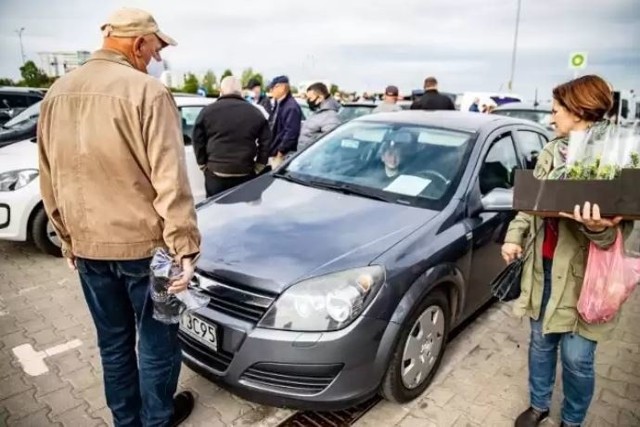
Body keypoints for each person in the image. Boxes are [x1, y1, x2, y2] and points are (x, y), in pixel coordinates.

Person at [37, 8, 200, 427]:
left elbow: (49, 176)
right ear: (138, 43)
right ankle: (157, 420)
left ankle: (126, 422)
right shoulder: (148, 92)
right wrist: (185, 249)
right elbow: (171, 180)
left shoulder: (57, 91)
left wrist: (67, 238)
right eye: (157, 47)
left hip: (89, 248)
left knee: (112, 343)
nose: (157, 56)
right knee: (159, 341)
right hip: (149, 251)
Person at [501, 75, 632, 427]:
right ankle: (539, 404)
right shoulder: (550, 152)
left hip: (586, 280)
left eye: (556, 109)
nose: (551, 117)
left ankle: (572, 421)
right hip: (542, 268)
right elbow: (529, 206)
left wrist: (595, 227)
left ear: (577, 111)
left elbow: (622, 237)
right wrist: (514, 236)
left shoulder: (617, 160)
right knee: (541, 343)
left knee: (577, 359)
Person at [193, 76, 270, 197]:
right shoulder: (255, 113)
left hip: (216, 174)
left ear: (221, 91)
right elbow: (266, 142)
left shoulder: (207, 112)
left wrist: (202, 164)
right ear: (241, 92)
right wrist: (260, 165)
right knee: (241, 212)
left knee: (216, 211)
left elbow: (197, 140)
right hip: (245, 173)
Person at [267, 75, 303, 167]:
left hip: (281, 156)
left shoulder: (291, 107)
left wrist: (280, 153)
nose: (271, 91)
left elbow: (291, 133)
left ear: (282, 87)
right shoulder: (279, 104)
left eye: (273, 87)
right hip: (273, 152)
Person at [297, 82, 341, 151]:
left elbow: (329, 142)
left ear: (320, 98)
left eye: (310, 98)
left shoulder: (330, 116)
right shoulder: (318, 111)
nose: (308, 101)